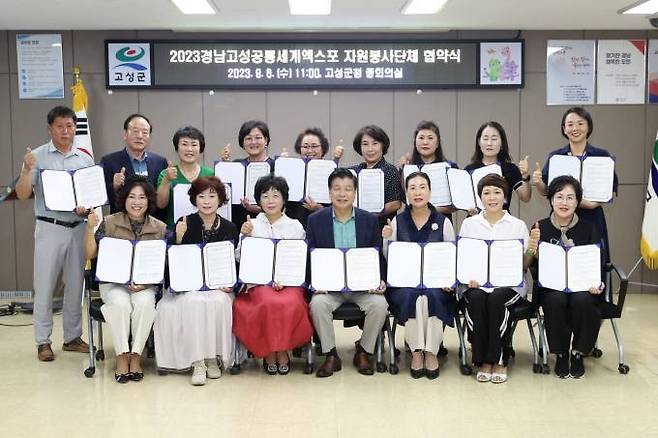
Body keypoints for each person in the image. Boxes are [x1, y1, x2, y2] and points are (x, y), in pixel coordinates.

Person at [14, 105, 94, 362]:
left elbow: (90, 197)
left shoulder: (84, 159)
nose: (65, 131)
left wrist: (86, 208)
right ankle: (43, 341)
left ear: (75, 128)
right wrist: (26, 170)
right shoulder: (36, 157)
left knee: (75, 286)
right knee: (45, 286)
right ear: (50, 128)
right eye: (60, 126)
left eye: (70, 126)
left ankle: (72, 337)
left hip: (78, 228)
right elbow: (23, 194)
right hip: (49, 228)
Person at [154, 176, 238, 386]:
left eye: (212, 196)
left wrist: (230, 284)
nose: (207, 201)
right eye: (201, 196)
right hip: (189, 285)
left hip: (217, 285)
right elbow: (173, 261)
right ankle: (198, 361)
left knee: (220, 301)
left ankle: (212, 358)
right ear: (194, 199)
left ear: (220, 199)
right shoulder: (184, 223)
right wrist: (178, 238)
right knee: (193, 301)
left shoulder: (229, 227)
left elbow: (234, 263)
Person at [307, 168, 389, 377]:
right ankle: (330, 355)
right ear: (329, 192)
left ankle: (364, 351)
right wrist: (314, 283)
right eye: (337, 189)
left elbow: (377, 255)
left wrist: (381, 279)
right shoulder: (315, 220)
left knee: (380, 305)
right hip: (330, 288)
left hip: (362, 287)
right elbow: (310, 257)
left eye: (347, 189)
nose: (342, 194)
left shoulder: (369, 220)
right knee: (317, 304)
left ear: (355, 192)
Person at [84, 175, 167, 383]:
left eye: (142, 197)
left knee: (145, 303)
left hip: (144, 285)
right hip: (113, 283)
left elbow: (162, 265)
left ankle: (135, 355)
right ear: (124, 199)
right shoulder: (109, 223)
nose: (136, 202)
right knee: (120, 303)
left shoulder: (160, 228)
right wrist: (89, 228)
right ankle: (122, 355)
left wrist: (145, 284)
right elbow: (90, 254)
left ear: (149, 200)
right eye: (132, 196)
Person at [458, 174, 539, 384]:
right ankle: (483, 360)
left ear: (505, 197)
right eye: (486, 193)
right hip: (476, 284)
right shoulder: (469, 224)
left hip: (509, 285)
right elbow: (464, 258)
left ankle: (499, 360)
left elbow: (524, 265)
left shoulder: (517, 225)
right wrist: (469, 278)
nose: (492, 197)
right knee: (476, 298)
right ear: (480, 197)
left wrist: (531, 249)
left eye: (497, 192)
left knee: (496, 299)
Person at [233, 175, 313, 375]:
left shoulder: (295, 226)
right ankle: (269, 351)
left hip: (289, 283)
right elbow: (239, 257)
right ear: (258, 200)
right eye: (265, 196)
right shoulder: (252, 224)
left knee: (291, 302)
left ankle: (283, 350)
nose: (270, 200)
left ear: (284, 199)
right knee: (266, 302)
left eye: (275, 196)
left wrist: (284, 280)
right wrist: (245, 235)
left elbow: (299, 258)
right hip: (258, 283)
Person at [382, 171, 456, 379]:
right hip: (405, 283)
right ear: (406, 192)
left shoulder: (443, 221)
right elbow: (389, 257)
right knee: (415, 297)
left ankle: (431, 351)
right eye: (412, 188)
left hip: (436, 283)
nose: (417, 192)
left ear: (430, 192)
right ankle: (416, 352)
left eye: (422, 187)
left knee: (430, 296)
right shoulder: (397, 221)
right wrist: (386, 239)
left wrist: (449, 281)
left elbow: (451, 256)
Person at [530, 175, 604, 378]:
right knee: (556, 299)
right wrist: (531, 248)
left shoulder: (589, 228)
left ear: (577, 202)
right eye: (559, 197)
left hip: (582, 287)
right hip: (551, 287)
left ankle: (578, 352)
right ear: (551, 200)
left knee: (584, 300)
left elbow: (597, 262)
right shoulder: (539, 227)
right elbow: (530, 263)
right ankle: (561, 352)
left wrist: (597, 283)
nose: (564, 202)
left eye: (570, 198)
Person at [533, 106, 617, 263]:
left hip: (592, 217)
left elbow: (610, 191)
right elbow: (546, 191)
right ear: (564, 129)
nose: (575, 128)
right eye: (570, 124)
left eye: (580, 123)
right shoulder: (556, 157)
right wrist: (538, 182)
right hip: (560, 218)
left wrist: (588, 204)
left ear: (588, 127)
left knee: (593, 261)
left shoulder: (602, 156)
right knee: (558, 261)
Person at [100, 113, 168, 221]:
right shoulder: (109, 161)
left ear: (149, 137)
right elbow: (102, 199)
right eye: (135, 131)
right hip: (121, 224)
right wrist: (114, 186)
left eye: (145, 132)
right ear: (125, 134)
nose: (140, 136)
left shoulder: (160, 162)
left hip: (153, 225)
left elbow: (162, 199)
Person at [464, 121, 532, 213]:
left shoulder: (510, 168)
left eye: (494, 139)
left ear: (502, 143)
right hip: (476, 218)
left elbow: (525, 197)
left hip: (502, 218)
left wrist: (525, 175)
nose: (489, 143)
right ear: (479, 142)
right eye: (485, 138)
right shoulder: (469, 170)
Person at [396, 120, 458, 218]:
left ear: (437, 143)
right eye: (421, 138)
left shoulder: (450, 168)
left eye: (430, 138)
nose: (425, 142)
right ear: (415, 142)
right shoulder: (407, 167)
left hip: (441, 220)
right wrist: (403, 170)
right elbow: (403, 198)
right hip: (412, 221)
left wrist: (428, 209)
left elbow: (456, 203)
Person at [156, 126, 214, 229]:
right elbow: (160, 204)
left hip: (205, 230)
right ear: (177, 148)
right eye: (184, 144)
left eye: (194, 144)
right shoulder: (166, 174)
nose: (189, 149)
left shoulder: (211, 174)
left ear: (201, 148)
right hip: (174, 231)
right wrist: (167, 180)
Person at [284, 127, 344, 228]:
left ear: (323, 148)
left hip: (322, 225)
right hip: (294, 225)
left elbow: (340, 207)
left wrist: (319, 208)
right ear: (299, 149)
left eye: (314, 146)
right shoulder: (292, 169)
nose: (310, 150)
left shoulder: (331, 170)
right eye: (305, 146)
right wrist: (283, 165)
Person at [220, 120, 274, 230]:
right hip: (238, 223)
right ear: (242, 143)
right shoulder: (236, 165)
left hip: (268, 225)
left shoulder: (276, 167)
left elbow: (283, 205)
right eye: (248, 138)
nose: (253, 142)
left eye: (258, 138)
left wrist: (258, 209)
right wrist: (225, 168)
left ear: (266, 141)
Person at [351, 125, 404, 227]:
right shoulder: (355, 171)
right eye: (365, 144)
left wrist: (370, 215)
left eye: (375, 143)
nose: (370, 149)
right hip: (357, 226)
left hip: (381, 227)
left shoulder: (390, 170)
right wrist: (336, 159)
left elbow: (396, 203)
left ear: (382, 145)